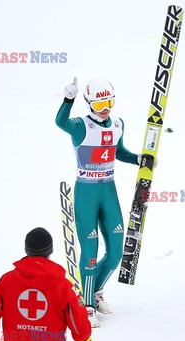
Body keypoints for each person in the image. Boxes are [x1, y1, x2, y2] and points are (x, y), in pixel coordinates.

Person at [55, 77, 139, 326]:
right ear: (90, 103)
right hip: (86, 194)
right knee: (90, 252)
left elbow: (119, 152)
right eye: (101, 103)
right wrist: (68, 99)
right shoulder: (81, 126)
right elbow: (60, 122)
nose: (106, 108)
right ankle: (86, 304)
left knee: (115, 253)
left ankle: (94, 290)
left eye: (110, 102)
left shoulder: (117, 124)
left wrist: (138, 159)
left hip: (108, 191)